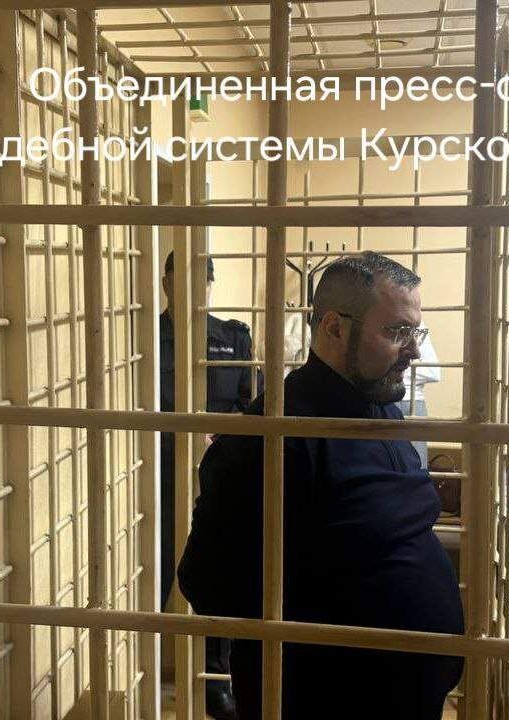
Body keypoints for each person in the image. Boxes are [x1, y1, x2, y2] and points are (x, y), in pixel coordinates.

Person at [178, 252, 464, 720]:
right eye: (397, 331)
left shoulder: (381, 406)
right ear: (333, 327)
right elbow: (207, 583)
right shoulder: (273, 436)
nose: (414, 350)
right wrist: (329, 607)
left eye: (416, 332)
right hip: (324, 697)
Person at [159, 250, 261, 720]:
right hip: (157, 474)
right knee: (155, 567)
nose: (193, 287)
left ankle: (215, 678)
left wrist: (219, 431)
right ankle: (148, 668)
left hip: (219, 476)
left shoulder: (233, 338)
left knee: (221, 571)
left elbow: (252, 405)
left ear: (210, 285)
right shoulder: (145, 337)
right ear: (165, 282)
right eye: (182, 278)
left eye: (203, 279)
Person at [396, 322, 439, 467]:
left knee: (417, 465)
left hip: (413, 401)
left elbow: (433, 372)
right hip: (388, 398)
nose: (415, 353)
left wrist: (395, 372)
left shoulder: (416, 322)